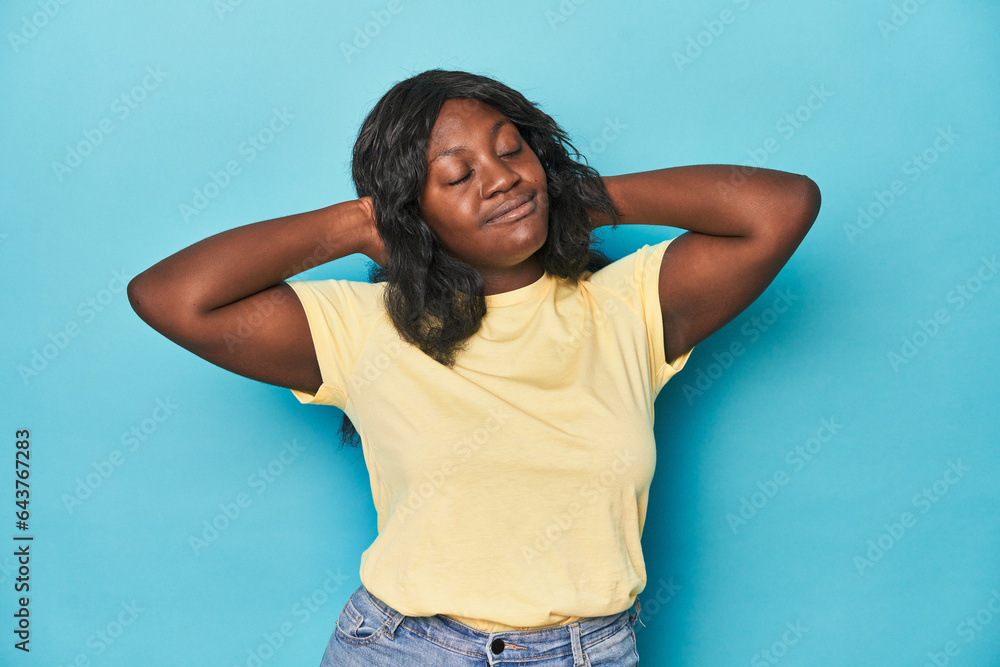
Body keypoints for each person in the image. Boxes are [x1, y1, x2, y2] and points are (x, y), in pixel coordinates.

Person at [128, 68, 821, 666]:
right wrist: (358, 224)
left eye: (513, 152)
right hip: (401, 646)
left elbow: (782, 206)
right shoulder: (361, 327)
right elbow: (171, 297)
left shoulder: (629, 307)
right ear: (412, 212)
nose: (502, 179)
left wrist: (581, 196)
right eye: (459, 175)